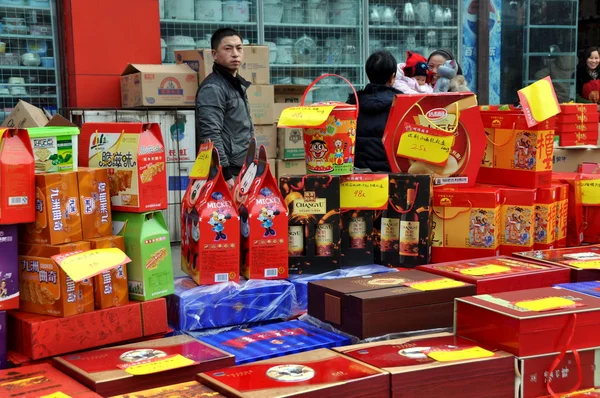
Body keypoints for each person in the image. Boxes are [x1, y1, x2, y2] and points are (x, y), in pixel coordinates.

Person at [196, 28, 254, 188]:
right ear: (214, 54)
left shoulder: (235, 84)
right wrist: (225, 173)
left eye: (239, 48)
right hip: (228, 173)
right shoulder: (213, 88)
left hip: (242, 168)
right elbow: (210, 134)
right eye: (228, 49)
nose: (235, 53)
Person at [347, 51, 403, 172]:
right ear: (392, 77)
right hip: (393, 173)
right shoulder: (401, 103)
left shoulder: (353, 102)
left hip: (357, 172)